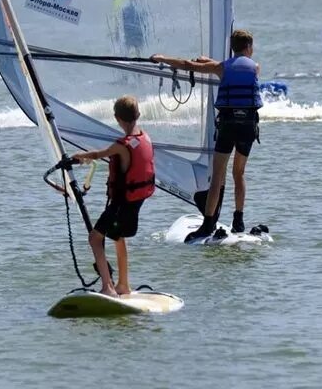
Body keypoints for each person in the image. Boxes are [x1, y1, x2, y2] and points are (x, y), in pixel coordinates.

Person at [151, 29, 262, 242]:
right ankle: (238, 220)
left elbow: (189, 65)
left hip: (228, 126)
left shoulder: (221, 67)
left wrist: (163, 58)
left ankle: (208, 224)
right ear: (249, 47)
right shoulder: (255, 67)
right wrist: (212, 62)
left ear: (232, 47)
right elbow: (236, 66)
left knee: (218, 175)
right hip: (247, 126)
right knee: (239, 173)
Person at [71, 95, 155, 297]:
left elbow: (98, 155)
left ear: (117, 118)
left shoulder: (122, 145)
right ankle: (123, 284)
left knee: (94, 238)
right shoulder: (145, 137)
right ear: (138, 115)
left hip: (121, 202)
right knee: (117, 237)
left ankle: (107, 287)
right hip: (136, 201)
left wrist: (77, 157)